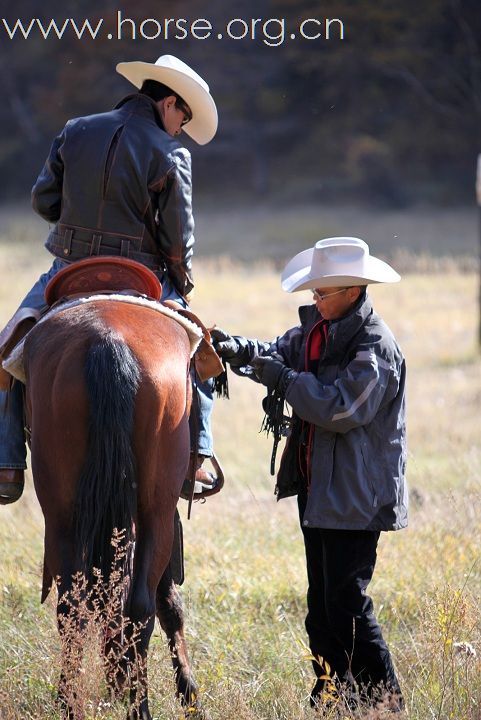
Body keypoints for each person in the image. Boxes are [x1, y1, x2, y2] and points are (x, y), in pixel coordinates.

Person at [0, 54, 219, 505]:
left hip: (67, 270)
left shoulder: (75, 128)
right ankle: (198, 454)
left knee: (11, 347)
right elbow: (178, 242)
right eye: (184, 116)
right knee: (199, 351)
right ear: (169, 103)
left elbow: (43, 201)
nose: (181, 127)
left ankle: (7, 461)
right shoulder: (171, 152)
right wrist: (182, 283)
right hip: (141, 275)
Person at [212, 237, 408, 711]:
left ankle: (386, 701)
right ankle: (332, 697)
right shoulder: (318, 331)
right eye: (313, 293)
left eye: (322, 293)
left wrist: (280, 378)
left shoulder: (375, 345)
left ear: (352, 290)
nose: (314, 300)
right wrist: (238, 349)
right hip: (319, 491)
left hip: (357, 497)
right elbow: (274, 350)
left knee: (346, 602)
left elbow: (341, 410)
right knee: (321, 608)